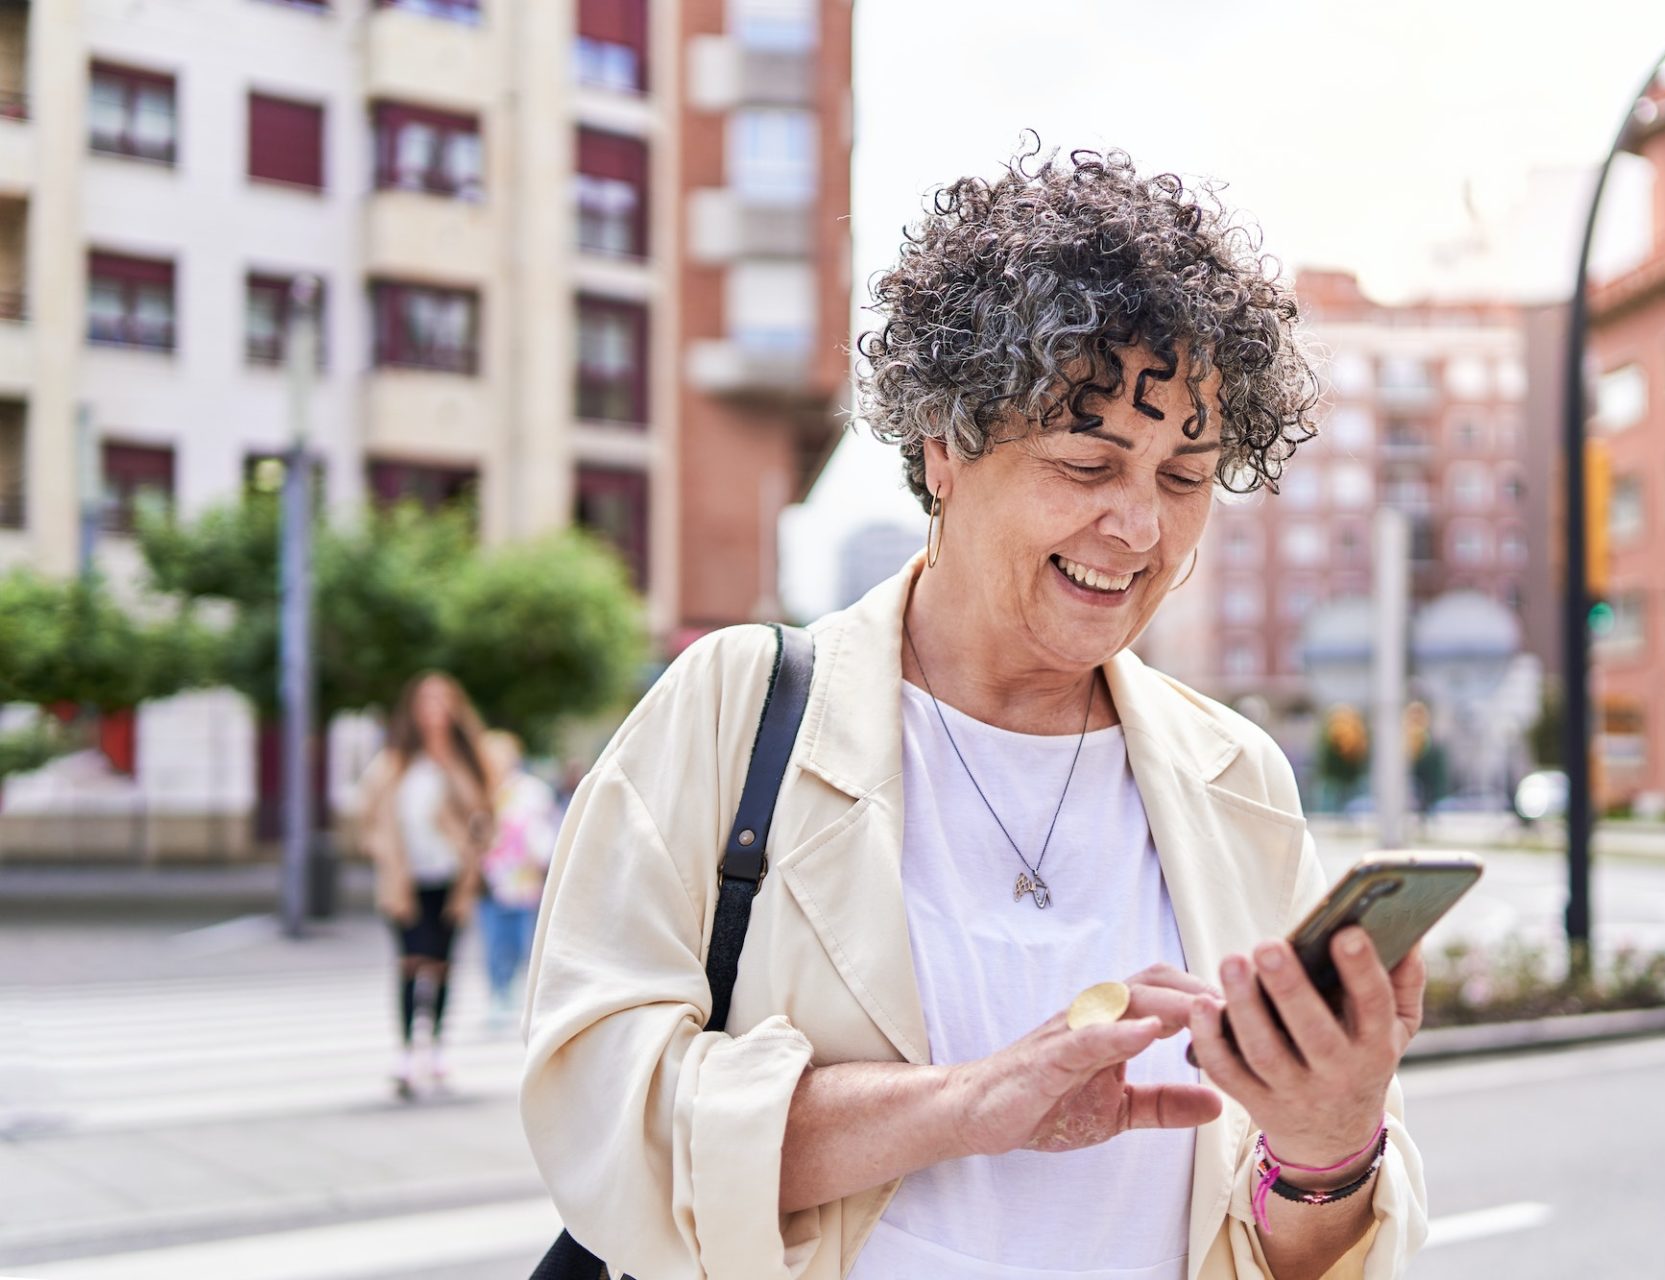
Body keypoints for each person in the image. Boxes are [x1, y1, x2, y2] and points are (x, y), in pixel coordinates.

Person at [522, 144, 1428, 1279]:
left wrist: (1329, 1145)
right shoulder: (739, 703)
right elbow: (597, 1114)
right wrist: (972, 1101)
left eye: (1183, 477)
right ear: (946, 444)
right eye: (1089, 462)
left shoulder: (1236, 776)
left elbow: (1300, 1247)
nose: (1140, 528)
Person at [356, 671, 495, 1098]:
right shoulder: (393, 762)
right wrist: (384, 853)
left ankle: (434, 1048)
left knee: (441, 962)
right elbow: (367, 820)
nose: (433, 710)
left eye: (441, 701)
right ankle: (405, 1053)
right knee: (410, 961)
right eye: (425, 702)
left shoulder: (464, 760)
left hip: (450, 879)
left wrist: (469, 848)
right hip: (405, 880)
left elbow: (485, 815)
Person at [477, 730, 559, 1026]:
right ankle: (498, 991)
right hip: (487, 881)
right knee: (493, 939)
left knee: (520, 939)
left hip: (524, 879)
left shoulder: (530, 790)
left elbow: (546, 828)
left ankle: (513, 990)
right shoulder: (478, 790)